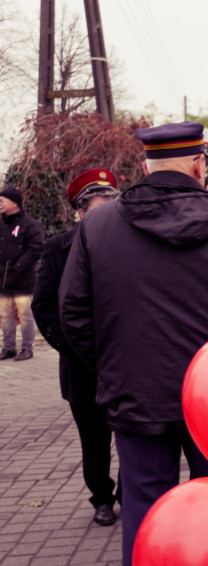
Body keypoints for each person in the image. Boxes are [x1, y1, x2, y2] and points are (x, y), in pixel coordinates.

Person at [59, 121, 208, 566]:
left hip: (136, 395)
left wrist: (115, 363)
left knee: (144, 510)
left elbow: (74, 314)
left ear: (144, 166)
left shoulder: (97, 225)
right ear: (200, 164)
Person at [33, 170, 120, 526]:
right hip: (81, 367)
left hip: (124, 362)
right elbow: (44, 307)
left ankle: (129, 493)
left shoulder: (126, 243)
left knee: (134, 437)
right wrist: (74, 348)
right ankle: (101, 497)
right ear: (80, 212)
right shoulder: (57, 248)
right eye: (99, 209)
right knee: (94, 441)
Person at [0, 186, 44, 361]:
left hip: (23, 280)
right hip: (2, 281)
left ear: (14, 203)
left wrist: (19, 266)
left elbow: (36, 248)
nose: (0, 203)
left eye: (3, 200)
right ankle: (9, 348)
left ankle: (27, 348)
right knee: (5, 316)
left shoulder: (30, 225)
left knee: (26, 315)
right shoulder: (0, 223)